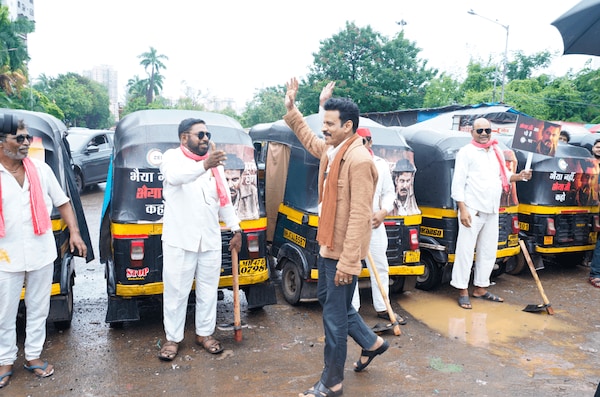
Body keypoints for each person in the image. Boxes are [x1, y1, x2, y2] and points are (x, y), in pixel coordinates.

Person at [284, 78, 388, 397]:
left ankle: (332, 382)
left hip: (342, 253)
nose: (324, 129)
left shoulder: (359, 161)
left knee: (333, 320)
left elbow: (359, 217)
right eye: (323, 123)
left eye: (329, 124)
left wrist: (348, 262)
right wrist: (292, 110)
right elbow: (310, 140)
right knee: (333, 305)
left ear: (348, 126)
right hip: (328, 245)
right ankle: (371, 342)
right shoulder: (333, 150)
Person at [0, 120, 87, 388]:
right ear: (1, 143)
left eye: (28, 138)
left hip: (41, 251)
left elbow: (63, 202)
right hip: (5, 255)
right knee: (4, 312)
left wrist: (74, 233)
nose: (26, 143)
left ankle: (33, 356)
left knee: (39, 308)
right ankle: (5, 360)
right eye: (19, 139)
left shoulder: (40, 169)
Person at [157, 118, 242, 361]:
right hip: (180, 240)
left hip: (210, 240)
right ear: (184, 138)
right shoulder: (172, 158)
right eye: (200, 134)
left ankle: (204, 334)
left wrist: (235, 230)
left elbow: (223, 199)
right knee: (176, 292)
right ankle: (172, 339)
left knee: (208, 290)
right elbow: (175, 177)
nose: (205, 138)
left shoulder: (214, 165)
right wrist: (205, 165)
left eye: (207, 134)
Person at [451, 118, 532, 309]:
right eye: (480, 131)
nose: (484, 133)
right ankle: (462, 290)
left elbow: (504, 175)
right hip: (472, 210)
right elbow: (458, 184)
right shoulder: (466, 152)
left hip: (493, 209)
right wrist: (462, 209)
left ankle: (480, 287)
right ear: (472, 132)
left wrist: (519, 177)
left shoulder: (496, 151)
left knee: (488, 252)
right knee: (465, 251)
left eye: (487, 130)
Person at [350, 127, 408, 326]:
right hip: (352, 225)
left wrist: (383, 211)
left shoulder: (381, 165)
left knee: (380, 267)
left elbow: (389, 193)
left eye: (365, 141)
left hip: (375, 224)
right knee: (352, 267)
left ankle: (384, 307)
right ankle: (353, 311)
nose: (362, 144)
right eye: (357, 141)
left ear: (370, 142)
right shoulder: (347, 162)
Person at [224, 154, 259, 220]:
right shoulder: (210, 193)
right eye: (226, 180)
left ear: (241, 178)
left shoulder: (252, 192)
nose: (230, 185)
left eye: (235, 180)